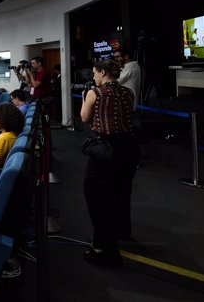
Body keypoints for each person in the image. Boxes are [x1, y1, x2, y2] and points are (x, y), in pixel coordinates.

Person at [80, 58, 137, 266]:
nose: (94, 77)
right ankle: (121, 231)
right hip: (129, 148)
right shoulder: (127, 92)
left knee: (95, 194)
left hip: (106, 149)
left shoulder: (96, 93)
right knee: (120, 192)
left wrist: (85, 98)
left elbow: (85, 118)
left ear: (102, 72)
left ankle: (104, 248)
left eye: (95, 73)